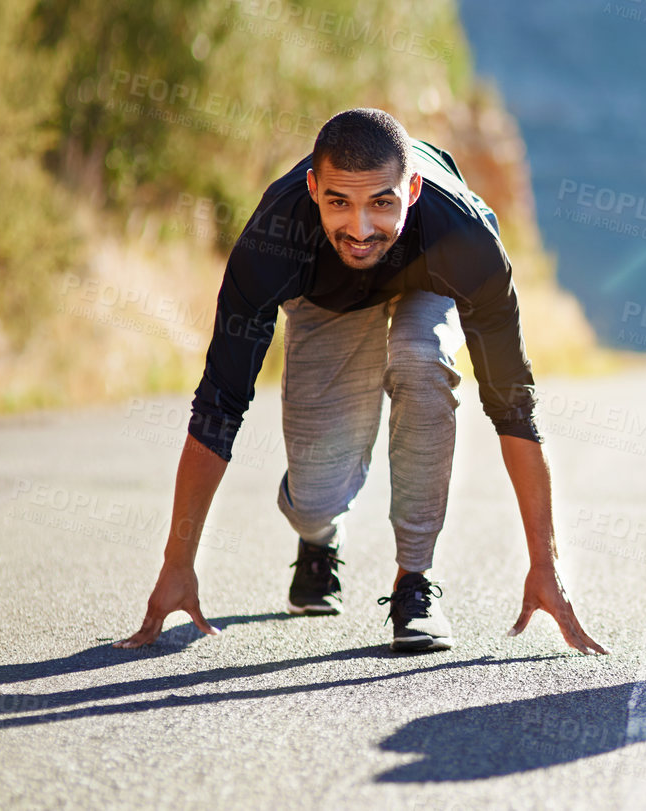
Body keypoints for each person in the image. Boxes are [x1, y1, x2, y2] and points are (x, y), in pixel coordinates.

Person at [116, 108, 607, 655]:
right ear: (312, 188)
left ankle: (414, 582)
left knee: (422, 358)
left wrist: (545, 564)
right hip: (326, 298)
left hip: (427, 275)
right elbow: (218, 405)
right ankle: (318, 537)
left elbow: (514, 407)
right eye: (338, 203)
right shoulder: (270, 243)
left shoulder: (466, 240)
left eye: (381, 202)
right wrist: (177, 565)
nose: (360, 228)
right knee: (315, 499)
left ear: (413, 188)